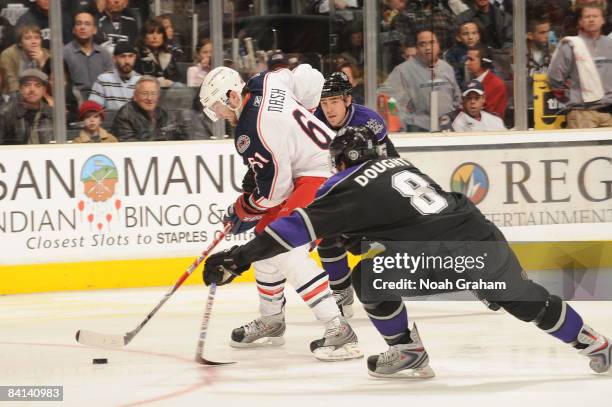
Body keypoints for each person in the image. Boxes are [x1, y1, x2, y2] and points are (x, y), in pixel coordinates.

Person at [203, 125, 612, 379]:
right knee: (527, 302)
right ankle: (595, 344)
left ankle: (407, 350)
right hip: (480, 236)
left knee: (370, 278)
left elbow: (290, 229)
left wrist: (237, 259)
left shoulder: (343, 186)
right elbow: (414, 218)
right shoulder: (404, 168)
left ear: (343, 160)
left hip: (440, 253)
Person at [198, 65, 363, 361]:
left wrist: (244, 208)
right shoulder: (267, 81)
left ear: (233, 95)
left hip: (322, 176)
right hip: (322, 164)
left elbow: (276, 189)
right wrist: (298, 128)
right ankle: (272, 320)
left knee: (285, 249)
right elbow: (308, 76)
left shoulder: (250, 131)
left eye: (219, 107)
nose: (221, 115)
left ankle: (338, 330)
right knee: (265, 241)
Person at [313, 71, 399, 317]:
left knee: (410, 242)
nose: (328, 109)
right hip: (338, 189)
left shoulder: (369, 121)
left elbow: (387, 163)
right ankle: (341, 291)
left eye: (334, 101)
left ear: (348, 100)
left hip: (369, 189)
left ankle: (471, 280)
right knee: (326, 231)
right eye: (324, 102)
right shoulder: (314, 122)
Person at [379, 30, 461, 132]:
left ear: (438, 45)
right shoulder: (403, 70)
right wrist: (403, 120)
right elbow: (385, 97)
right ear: (417, 48)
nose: (428, 48)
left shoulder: (446, 68)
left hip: (447, 129)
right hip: (418, 130)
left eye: (431, 43)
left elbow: (457, 99)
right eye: (423, 44)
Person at [548, 3, 612, 128]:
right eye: (587, 17)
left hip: (609, 113)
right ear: (580, 22)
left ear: (603, 20)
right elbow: (554, 79)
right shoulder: (570, 45)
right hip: (582, 114)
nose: (592, 19)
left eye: (595, 16)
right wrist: (570, 99)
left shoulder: (610, 44)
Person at [112, 75, 185, 141]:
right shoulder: (125, 114)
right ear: (135, 96)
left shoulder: (162, 113)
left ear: (158, 96)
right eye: (144, 93)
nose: (149, 98)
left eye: (153, 93)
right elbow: (129, 144)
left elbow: (173, 136)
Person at [63, 10, 113, 95]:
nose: (82, 27)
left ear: (94, 30)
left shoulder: (104, 54)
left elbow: (110, 83)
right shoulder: (64, 53)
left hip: (101, 99)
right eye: (78, 24)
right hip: (74, 100)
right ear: (73, 30)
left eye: (87, 24)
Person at [0, 69, 53, 145]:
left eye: (37, 85)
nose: (32, 89)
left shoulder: (51, 114)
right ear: (20, 89)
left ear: (44, 90)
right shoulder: (6, 113)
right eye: (27, 85)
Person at [89, 41, 141, 110]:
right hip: (109, 120)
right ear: (114, 59)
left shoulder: (141, 81)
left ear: (135, 58)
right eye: (123, 56)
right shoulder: (103, 79)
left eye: (131, 56)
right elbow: (93, 109)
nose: (127, 61)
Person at [439, 79, 506, 131]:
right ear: (462, 99)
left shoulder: (495, 118)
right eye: (469, 98)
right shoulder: (450, 119)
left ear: (483, 98)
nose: (473, 102)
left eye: (477, 98)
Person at [0, 23, 49, 93]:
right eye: (28, 38)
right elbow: (11, 83)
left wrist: (42, 63)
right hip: (16, 95)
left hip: (41, 94)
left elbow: (51, 83)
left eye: (37, 38)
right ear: (20, 43)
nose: (34, 42)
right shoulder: (8, 55)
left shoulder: (47, 55)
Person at [134, 18, 182, 88]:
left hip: (168, 93)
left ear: (163, 36)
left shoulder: (168, 53)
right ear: (144, 36)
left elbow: (177, 77)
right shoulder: (137, 54)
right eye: (151, 33)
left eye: (159, 33)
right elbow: (136, 78)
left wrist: (169, 83)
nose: (155, 37)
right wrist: (160, 82)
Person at [465, 44, 508, 118]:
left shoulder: (496, 85)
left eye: (471, 59)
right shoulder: (471, 82)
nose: (466, 63)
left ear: (484, 62)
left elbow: (486, 115)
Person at [444, 20, 483, 87]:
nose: (470, 37)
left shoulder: (486, 51)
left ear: (479, 35)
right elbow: (455, 79)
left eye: (474, 33)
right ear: (458, 37)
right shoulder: (451, 54)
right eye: (465, 34)